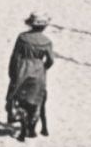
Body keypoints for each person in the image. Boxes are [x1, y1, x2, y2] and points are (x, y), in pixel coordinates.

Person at [6, 12, 55, 140]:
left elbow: (15, 55)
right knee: (35, 99)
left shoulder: (22, 38)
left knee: (19, 97)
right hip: (38, 70)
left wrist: (12, 71)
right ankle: (32, 127)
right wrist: (43, 67)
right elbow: (50, 60)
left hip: (23, 68)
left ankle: (21, 123)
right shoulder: (47, 42)